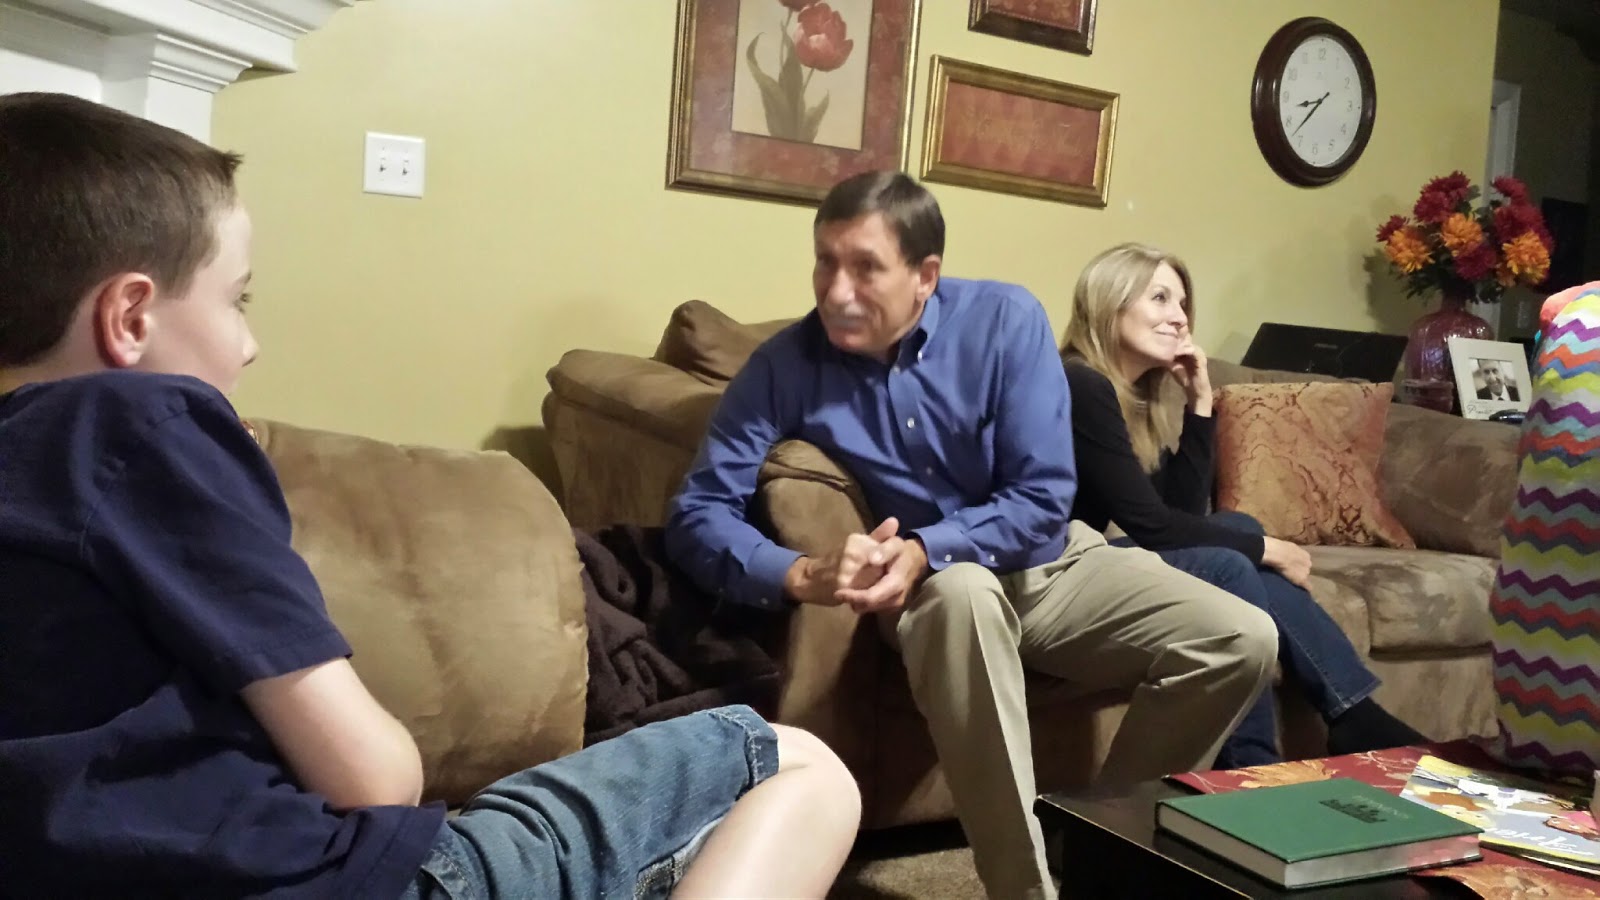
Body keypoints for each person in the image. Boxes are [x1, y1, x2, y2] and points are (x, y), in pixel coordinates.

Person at [0, 92, 860, 899]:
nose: (249, 344)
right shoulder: (142, 425)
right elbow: (375, 779)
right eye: (238, 300)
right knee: (793, 763)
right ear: (131, 318)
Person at [664, 171, 1278, 900]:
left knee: (1243, 637)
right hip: (931, 591)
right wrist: (797, 572)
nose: (836, 290)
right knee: (964, 595)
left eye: (865, 267)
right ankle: (1023, 891)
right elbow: (698, 513)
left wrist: (930, 543)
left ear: (925, 276)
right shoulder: (785, 365)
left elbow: (1042, 499)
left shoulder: (1005, 321)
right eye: (825, 261)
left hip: (1051, 564)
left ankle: (1093, 848)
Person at [1059, 241, 1427, 768]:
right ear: (1109, 302)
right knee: (1231, 561)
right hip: (1059, 571)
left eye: (1182, 303)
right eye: (1160, 298)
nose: (1180, 318)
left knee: (1236, 528)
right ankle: (1257, 756)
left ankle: (1349, 715)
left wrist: (1200, 402)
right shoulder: (1081, 384)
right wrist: (1268, 549)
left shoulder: (1130, 396)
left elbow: (1184, 514)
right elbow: (1154, 527)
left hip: (1091, 559)